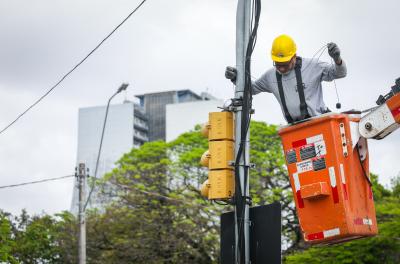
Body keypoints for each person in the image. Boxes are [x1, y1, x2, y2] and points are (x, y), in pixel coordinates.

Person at [225, 34, 347, 123]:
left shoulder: (313, 66)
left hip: (320, 123)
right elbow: (252, 88)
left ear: (294, 56)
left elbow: (339, 73)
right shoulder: (270, 76)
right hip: (295, 129)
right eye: (277, 64)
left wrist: (337, 59)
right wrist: (236, 78)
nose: (281, 69)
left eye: (285, 64)